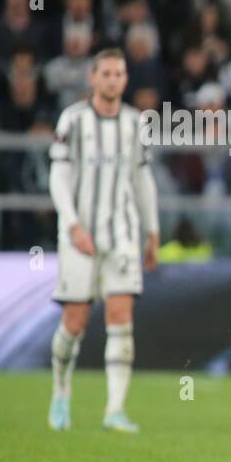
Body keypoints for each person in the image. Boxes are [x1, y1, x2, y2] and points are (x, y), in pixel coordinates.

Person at [47, 48, 160, 433]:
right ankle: (61, 392)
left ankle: (115, 409)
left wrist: (152, 230)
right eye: (107, 73)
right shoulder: (73, 120)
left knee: (120, 317)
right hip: (80, 236)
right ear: (92, 78)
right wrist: (74, 224)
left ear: (125, 79)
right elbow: (58, 177)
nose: (113, 80)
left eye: (120, 73)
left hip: (123, 234)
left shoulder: (134, 123)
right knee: (75, 322)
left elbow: (143, 179)